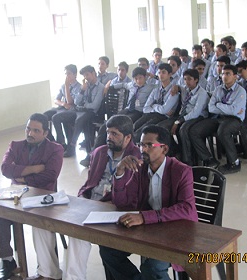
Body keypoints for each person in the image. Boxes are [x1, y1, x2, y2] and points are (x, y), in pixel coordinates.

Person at [99, 125, 198, 280]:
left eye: (148, 145)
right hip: (150, 231)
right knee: (108, 249)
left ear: (164, 149)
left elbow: (186, 208)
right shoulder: (140, 168)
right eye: (141, 145)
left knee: (152, 267)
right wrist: (119, 172)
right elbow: (122, 202)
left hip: (176, 232)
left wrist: (145, 217)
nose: (142, 150)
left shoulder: (181, 171)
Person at [64, 115, 141, 280]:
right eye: (108, 133)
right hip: (92, 204)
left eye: (115, 134)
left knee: (105, 246)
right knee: (76, 231)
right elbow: (89, 183)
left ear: (128, 137)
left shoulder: (137, 157)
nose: (109, 138)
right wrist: (81, 198)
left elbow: (132, 194)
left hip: (115, 206)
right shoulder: (99, 152)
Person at [0, 113, 64, 280]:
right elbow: (5, 169)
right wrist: (34, 169)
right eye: (28, 129)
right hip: (17, 194)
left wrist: (21, 175)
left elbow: (50, 175)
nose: (30, 134)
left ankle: (47, 270)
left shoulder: (55, 149)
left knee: (41, 223)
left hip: (43, 196)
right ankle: (7, 260)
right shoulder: (16, 146)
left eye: (36, 131)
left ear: (45, 133)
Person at [189, 65, 246, 174]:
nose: (224, 76)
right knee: (194, 130)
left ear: (235, 76)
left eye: (228, 74)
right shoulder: (218, 89)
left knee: (223, 131)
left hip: (234, 120)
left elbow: (234, 111)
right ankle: (209, 159)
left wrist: (218, 105)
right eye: (223, 74)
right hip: (219, 118)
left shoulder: (240, 91)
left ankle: (234, 163)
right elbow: (211, 108)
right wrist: (227, 108)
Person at [53, 65, 105, 158]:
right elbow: (76, 102)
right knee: (57, 117)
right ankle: (61, 142)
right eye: (84, 76)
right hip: (79, 110)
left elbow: (94, 105)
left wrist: (84, 105)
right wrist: (82, 90)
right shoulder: (85, 86)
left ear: (93, 73)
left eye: (87, 75)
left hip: (92, 113)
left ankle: (72, 146)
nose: (85, 78)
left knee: (79, 120)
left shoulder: (100, 87)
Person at [168, 69, 210, 166]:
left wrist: (179, 121)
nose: (187, 82)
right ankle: (178, 151)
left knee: (183, 129)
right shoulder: (185, 89)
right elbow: (178, 87)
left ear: (196, 80)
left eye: (190, 79)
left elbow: (196, 112)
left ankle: (187, 160)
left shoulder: (202, 93)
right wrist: (176, 86)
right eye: (185, 79)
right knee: (167, 127)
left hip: (199, 117)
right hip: (184, 115)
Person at [133, 63, 179, 142]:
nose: (161, 75)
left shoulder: (174, 91)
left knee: (142, 131)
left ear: (170, 74)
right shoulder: (156, 90)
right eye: (159, 72)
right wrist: (157, 107)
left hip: (165, 117)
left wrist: (153, 105)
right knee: (134, 126)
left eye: (163, 72)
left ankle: (137, 149)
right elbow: (145, 109)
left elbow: (164, 110)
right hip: (153, 114)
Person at [45, 64, 81, 147]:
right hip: (62, 107)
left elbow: (70, 102)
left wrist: (67, 87)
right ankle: (51, 140)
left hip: (72, 110)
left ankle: (61, 142)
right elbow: (56, 100)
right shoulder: (63, 86)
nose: (66, 76)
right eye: (65, 74)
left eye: (69, 73)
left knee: (55, 117)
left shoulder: (79, 87)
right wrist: (63, 104)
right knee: (44, 116)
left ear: (75, 74)